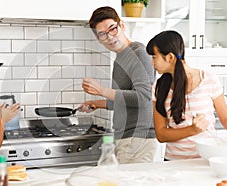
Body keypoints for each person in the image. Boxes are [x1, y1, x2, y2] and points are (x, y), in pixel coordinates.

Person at [79, 6, 158, 163]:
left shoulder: (138, 53)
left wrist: (102, 90)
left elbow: (143, 98)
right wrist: (98, 104)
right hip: (127, 138)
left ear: (122, 25)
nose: (109, 37)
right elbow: (126, 100)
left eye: (112, 29)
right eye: (102, 34)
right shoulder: (121, 57)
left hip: (137, 139)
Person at [146, 30, 227, 160]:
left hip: (205, 160)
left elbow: (225, 119)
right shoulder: (159, 86)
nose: (152, 62)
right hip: (173, 162)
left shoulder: (208, 79)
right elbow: (161, 135)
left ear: (170, 57)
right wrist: (193, 130)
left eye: (154, 57)